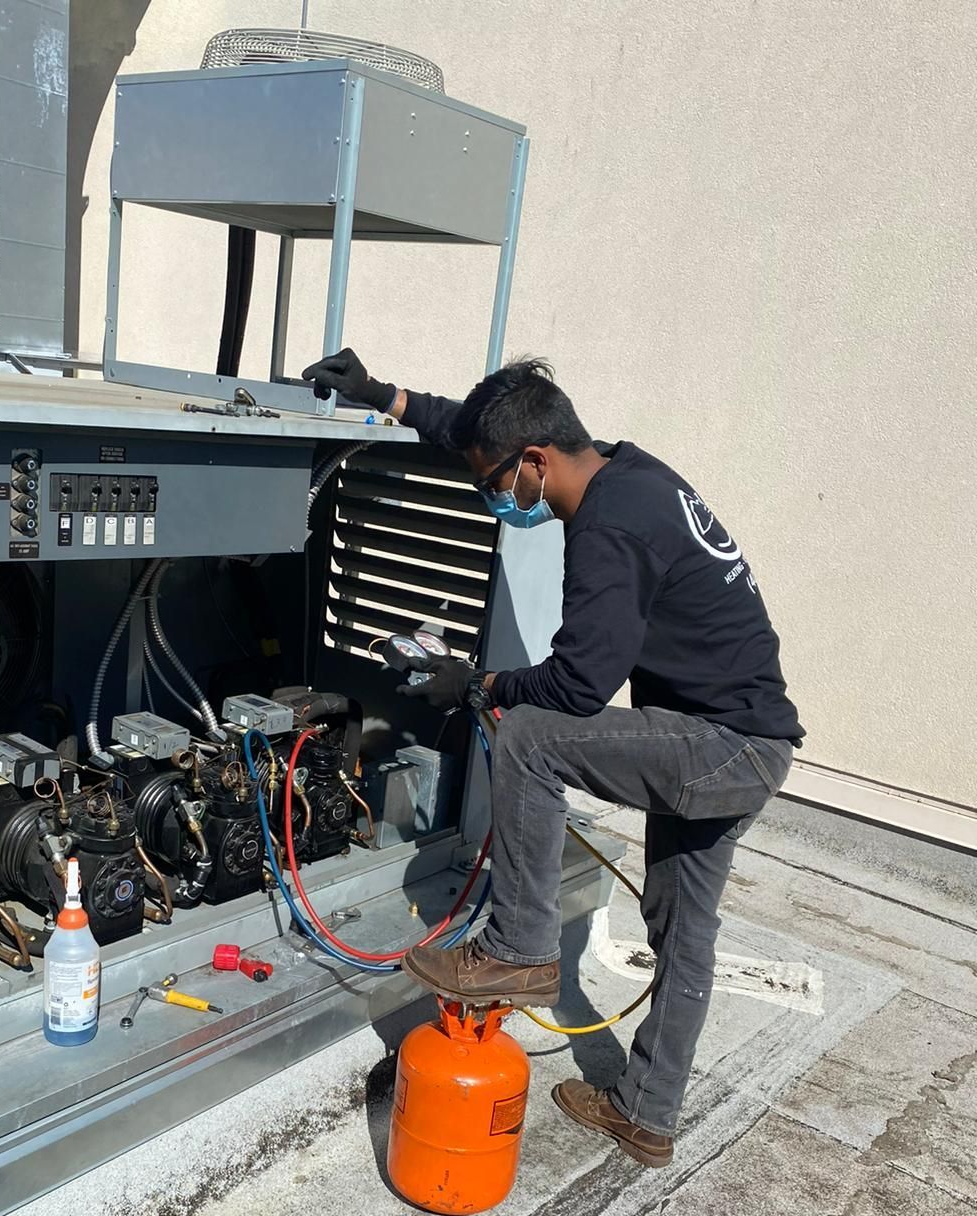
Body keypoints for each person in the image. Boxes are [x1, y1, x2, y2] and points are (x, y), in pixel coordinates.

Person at [303, 349, 803, 1169]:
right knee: (683, 931)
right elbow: (478, 430)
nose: (493, 499)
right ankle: (646, 1114)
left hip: (719, 747)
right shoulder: (627, 471)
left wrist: (481, 682)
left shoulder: (610, 528)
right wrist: (384, 397)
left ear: (535, 463)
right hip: (746, 741)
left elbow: (575, 686)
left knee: (531, 735)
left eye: (493, 486)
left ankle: (520, 947)